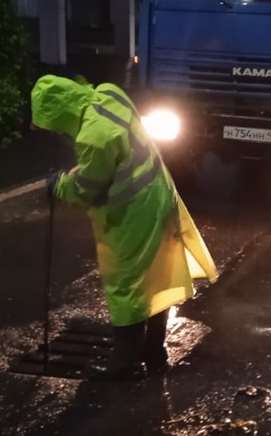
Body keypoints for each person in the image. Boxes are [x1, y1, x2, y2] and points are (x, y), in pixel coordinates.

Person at [31, 75, 219, 381]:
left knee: (126, 284)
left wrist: (58, 186)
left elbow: (86, 189)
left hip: (134, 214)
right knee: (156, 276)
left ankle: (125, 361)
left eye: (53, 126)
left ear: (59, 116)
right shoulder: (109, 94)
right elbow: (119, 155)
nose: (58, 133)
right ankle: (153, 351)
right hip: (160, 196)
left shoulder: (92, 138)